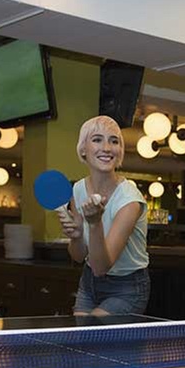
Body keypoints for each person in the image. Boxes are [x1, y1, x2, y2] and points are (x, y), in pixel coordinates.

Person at [59, 115, 150, 316]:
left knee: (95, 332)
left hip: (127, 287)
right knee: (80, 338)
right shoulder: (78, 189)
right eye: (97, 139)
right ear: (83, 149)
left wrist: (94, 223)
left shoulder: (129, 200)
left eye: (114, 141)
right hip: (89, 281)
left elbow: (102, 266)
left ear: (120, 152)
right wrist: (75, 237)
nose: (107, 148)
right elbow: (79, 255)